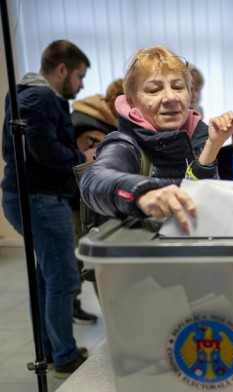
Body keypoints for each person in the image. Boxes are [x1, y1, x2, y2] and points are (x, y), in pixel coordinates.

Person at [1, 39, 92, 378]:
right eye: (79, 76)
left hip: (28, 195)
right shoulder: (40, 97)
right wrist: (80, 158)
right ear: (61, 70)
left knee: (48, 279)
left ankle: (54, 352)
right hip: (39, 197)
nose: (81, 85)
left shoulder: (25, 94)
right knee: (65, 278)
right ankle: (66, 358)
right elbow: (43, 150)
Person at [79, 46, 233, 232]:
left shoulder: (199, 139)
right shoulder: (124, 144)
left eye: (178, 87)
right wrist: (142, 193)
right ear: (132, 101)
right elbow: (94, 180)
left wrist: (213, 146)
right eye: (154, 90)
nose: (170, 97)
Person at [70, 77, 124, 325]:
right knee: (92, 263)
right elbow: (96, 175)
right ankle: (114, 324)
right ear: (114, 102)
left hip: (95, 205)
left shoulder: (102, 122)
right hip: (83, 207)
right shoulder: (90, 129)